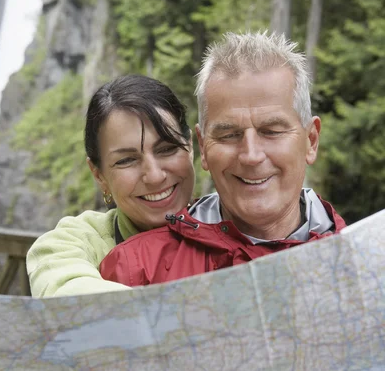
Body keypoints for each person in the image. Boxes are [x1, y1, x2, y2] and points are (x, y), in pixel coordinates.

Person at [100, 30, 346, 286]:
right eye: (229, 135)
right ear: (204, 147)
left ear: (311, 141)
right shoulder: (135, 272)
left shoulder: (363, 259)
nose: (251, 155)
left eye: (271, 132)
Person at [27, 74, 195, 296]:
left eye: (167, 149)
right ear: (99, 175)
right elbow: (64, 294)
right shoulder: (74, 242)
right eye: (126, 160)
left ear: (190, 146)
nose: (154, 176)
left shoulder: (232, 222)